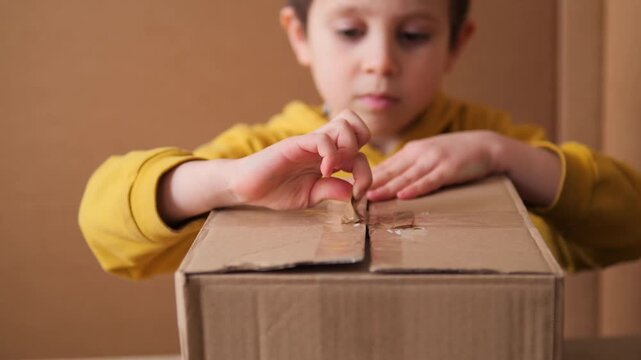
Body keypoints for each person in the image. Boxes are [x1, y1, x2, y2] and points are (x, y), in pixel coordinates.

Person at [79, 0, 641, 280]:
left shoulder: (488, 142)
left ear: (456, 44)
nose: (380, 63)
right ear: (300, 36)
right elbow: (103, 223)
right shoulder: (267, 149)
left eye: (414, 35)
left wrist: (504, 155)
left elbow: (630, 219)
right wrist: (224, 180)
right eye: (350, 32)